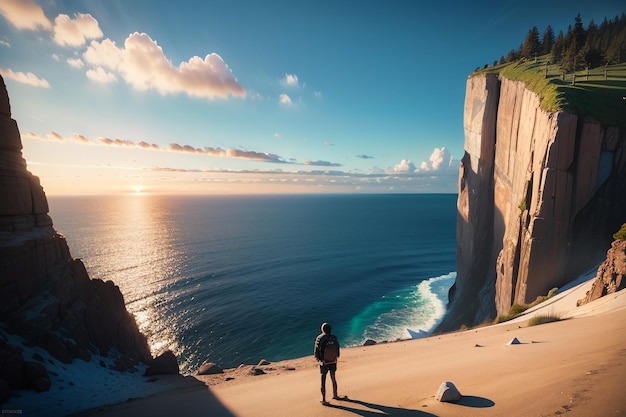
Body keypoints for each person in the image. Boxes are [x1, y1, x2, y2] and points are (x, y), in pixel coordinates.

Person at [314, 322, 341, 405]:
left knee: (323, 380)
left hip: (324, 362)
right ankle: (335, 395)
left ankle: (324, 399)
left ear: (322, 329)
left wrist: (319, 360)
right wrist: (335, 357)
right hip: (333, 361)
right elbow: (338, 351)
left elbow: (316, 351)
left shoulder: (320, 338)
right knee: (333, 378)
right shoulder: (334, 337)